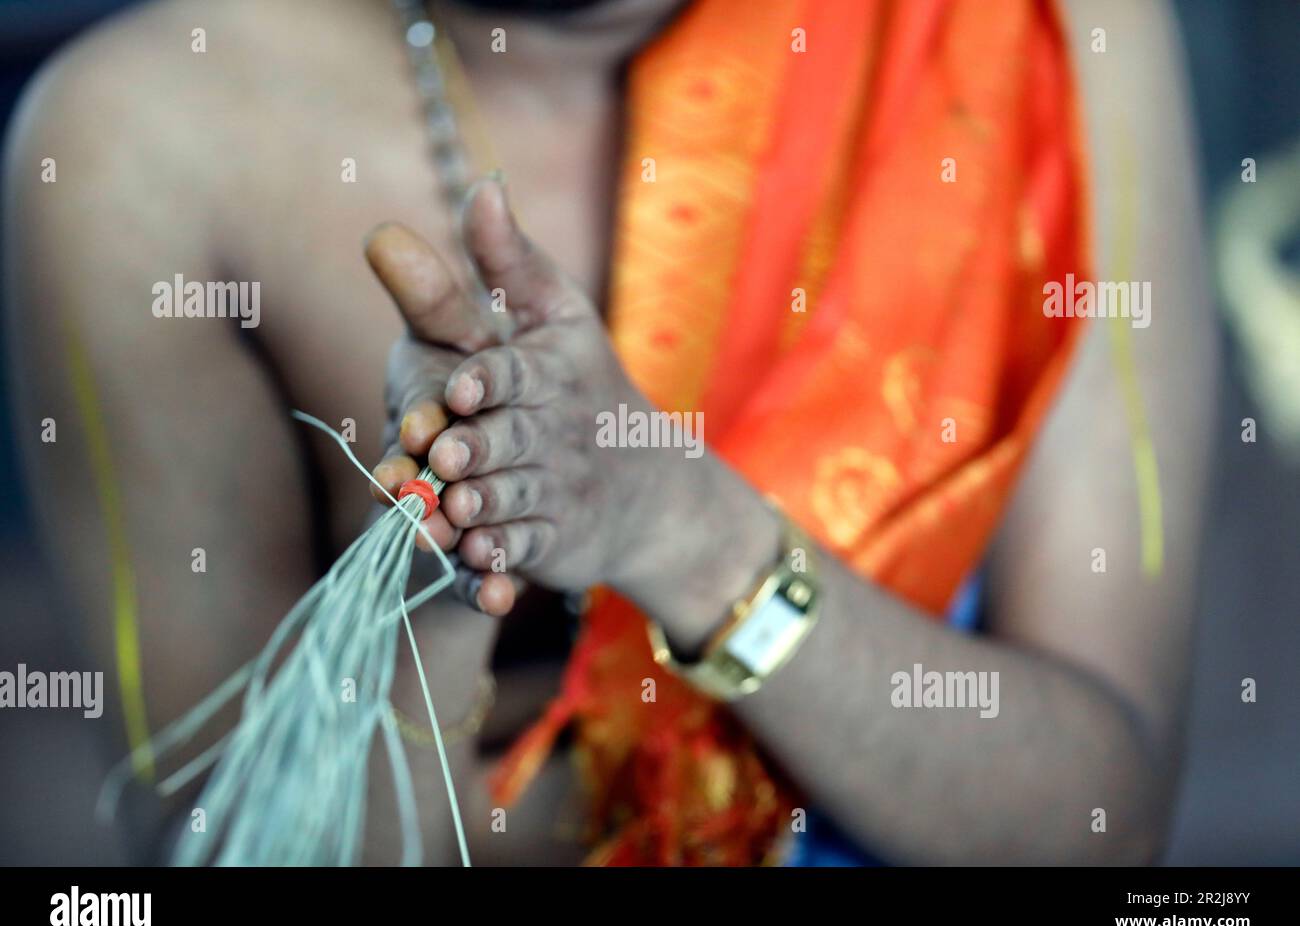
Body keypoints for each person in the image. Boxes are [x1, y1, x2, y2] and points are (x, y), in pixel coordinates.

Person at [4, 0, 1217, 865]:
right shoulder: (144, 139)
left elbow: (1101, 818)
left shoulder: (1031, 32)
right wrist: (444, 546)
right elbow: (222, 847)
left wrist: (680, 523)